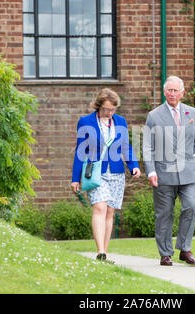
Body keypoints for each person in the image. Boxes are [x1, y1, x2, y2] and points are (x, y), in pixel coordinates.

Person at [71, 88, 141, 262]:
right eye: (106, 109)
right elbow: (80, 151)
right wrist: (75, 178)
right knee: (99, 208)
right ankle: (100, 251)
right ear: (98, 106)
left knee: (110, 212)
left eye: (112, 109)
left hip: (116, 172)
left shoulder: (120, 122)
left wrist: (134, 166)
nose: (109, 113)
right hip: (96, 173)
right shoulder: (86, 122)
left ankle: (105, 253)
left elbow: (126, 146)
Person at [143, 76, 195, 266]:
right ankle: (165, 253)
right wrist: (151, 171)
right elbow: (147, 147)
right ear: (164, 92)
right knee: (164, 214)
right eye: (169, 90)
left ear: (182, 93)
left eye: (176, 90)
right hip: (163, 174)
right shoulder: (154, 116)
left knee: (191, 207)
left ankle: (185, 249)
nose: (172, 93)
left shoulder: (191, 112)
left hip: (189, 173)